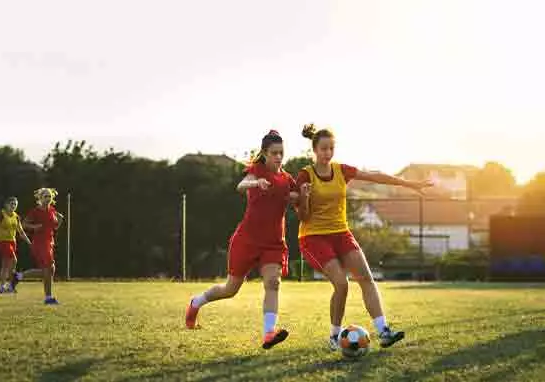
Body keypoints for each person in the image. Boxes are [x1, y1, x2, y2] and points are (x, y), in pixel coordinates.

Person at [296, 123, 433, 350]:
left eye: (331, 148)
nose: (327, 153)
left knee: (366, 279)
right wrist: (304, 197)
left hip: (341, 233)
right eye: (323, 149)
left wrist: (409, 184)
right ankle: (333, 336)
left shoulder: (341, 170)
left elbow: (375, 177)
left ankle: (384, 331)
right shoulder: (304, 175)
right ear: (314, 150)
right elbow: (303, 215)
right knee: (342, 284)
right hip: (313, 237)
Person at [185, 130, 298, 349]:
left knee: (273, 283)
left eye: (281, 153)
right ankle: (195, 303)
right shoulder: (256, 172)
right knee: (230, 289)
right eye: (274, 153)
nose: (278, 157)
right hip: (247, 240)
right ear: (264, 153)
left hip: (274, 243)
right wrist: (257, 184)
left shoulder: (287, 179)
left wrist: (303, 192)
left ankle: (268, 333)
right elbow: (241, 185)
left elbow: (297, 200)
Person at [15, 188, 64, 305]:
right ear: (40, 198)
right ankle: (48, 297)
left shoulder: (52, 210)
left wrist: (60, 220)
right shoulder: (35, 211)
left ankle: (19, 276)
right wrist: (35, 227)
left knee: (50, 270)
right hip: (40, 243)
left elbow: (55, 227)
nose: (48, 198)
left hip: (49, 242)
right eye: (45, 196)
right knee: (48, 269)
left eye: (49, 196)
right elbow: (24, 224)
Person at [0, 197, 31, 293]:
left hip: (12, 242)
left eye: (15, 204)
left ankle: (5, 286)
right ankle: (8, 284)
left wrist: (29, 242)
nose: (13, 206)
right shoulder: (1, 214)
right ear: (6, 205)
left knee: (5, 264)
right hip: (2, 241)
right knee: (13, 260)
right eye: (11, 204)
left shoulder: (16, 216)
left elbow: (21, 232)